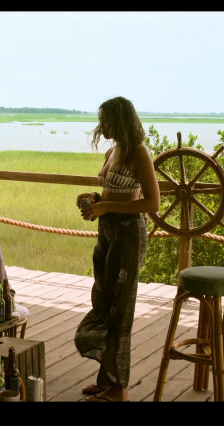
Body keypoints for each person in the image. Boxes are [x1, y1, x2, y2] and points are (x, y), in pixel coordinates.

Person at [74, 96, 160, 402]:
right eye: (101, 120)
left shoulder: (139, 154)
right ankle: (106, 379)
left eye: (107, 120)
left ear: (122, 121)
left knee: (121, 311)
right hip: (107, 233)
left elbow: (152, 203)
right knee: (104, 300)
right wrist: (96, 199)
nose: (102, 126)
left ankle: (119, 388)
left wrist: (106, 205)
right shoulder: (112, 152)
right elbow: (115, 192)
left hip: (128, 236)